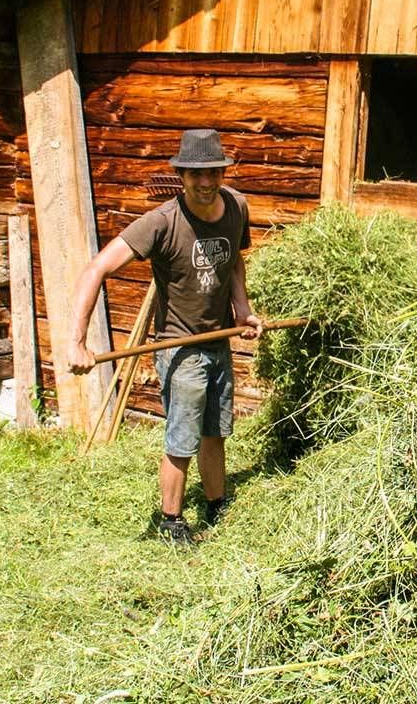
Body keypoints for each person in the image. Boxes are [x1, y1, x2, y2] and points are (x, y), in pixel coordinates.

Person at [67, 129, 262, 546]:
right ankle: (170, 519)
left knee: (215, 432)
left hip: (219, 341)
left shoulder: (236, 207)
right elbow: (95, 269)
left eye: (213, 173)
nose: (206, 183)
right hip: (179, 346)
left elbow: (235, 261)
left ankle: (216, 502)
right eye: (196, 175)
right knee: (182, 437)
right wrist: (76, 341)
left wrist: (242, 309)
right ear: (182, 175)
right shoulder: (161, 222)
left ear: (223, 171)